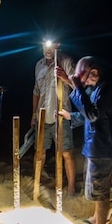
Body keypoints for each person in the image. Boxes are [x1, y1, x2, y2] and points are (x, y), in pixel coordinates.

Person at [57, 55, 112, 224]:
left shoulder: (108, 89)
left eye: (83, 78)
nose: (83, 84)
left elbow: (93, 114)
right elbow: (89, 110)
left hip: (104, 146)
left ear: (94, 72)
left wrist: (77, 86)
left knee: (100, 188)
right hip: (96, 144)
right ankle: (96, 217)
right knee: (96, 184)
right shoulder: (98, 87)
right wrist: (72, 115)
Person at [31, 40, 77, 194]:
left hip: (61, 115)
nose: (47, 49)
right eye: (44, 45)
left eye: (51, 46)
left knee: (66, 153)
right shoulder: (39, 65)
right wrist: (33, 115)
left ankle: (71, 189)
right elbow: (36, 91)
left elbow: (78, 87)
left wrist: (65, 77)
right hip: (42, 116)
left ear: (58, 45)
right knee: (40, 152)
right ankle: (36, 184)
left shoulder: (67, 62)